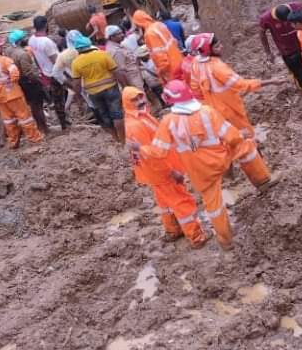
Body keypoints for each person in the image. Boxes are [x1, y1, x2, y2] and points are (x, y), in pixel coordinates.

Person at [135, 81, 277, 252]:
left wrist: (140, 148)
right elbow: (231, 136)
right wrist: (241, 135)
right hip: (220, 158)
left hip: (198, 170)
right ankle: (262, 181)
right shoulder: (207, 112)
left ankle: (226, 241)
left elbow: (158, 151)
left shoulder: (168, 122)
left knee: (213, 205)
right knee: (246, 145)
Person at [122, 86, 205, 247]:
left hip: (155, 173)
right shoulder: (136, 125)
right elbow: (150, 155)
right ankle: (196, 237)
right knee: (182, 202)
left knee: (166, 203)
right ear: (127, 103)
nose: (141, 101)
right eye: (135, 99)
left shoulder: (141, 117)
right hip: (162, 172)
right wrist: (172, 172)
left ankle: (173, 230)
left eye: (141, 97)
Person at [186, 33, 282, 135]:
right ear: (207, 50)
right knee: (247, 137)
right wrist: (271, 81)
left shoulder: (195, 63)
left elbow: (195, 89)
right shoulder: (218, 67)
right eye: (217, 46)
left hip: (214, 113)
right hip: (231, 112)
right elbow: (242, 84)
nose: (221, 47)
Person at [68, 31, 125, 142]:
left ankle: (115, 138)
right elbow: (116, 71)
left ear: (78, 49)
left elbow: (76, 83)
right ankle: (123, 139)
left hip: (94, 93)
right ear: (89, 44)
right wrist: (125, 86)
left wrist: (78, 97)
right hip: (111, 88)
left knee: (105, 116)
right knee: (117, 114)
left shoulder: (76, 63)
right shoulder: (102, 54)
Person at [259, 3, 302, 93]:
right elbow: (262, 34)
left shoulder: (297, 7)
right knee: (299, 72)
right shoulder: (265, 18)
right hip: (287, 49)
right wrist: (268, 53)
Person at [7, 29, 49, 134]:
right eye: (24, 38)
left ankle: (38, 127)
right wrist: (40, 81)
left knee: (31, 105)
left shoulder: (8, 51)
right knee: (37, 106)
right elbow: (28, 72)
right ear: (19, 41)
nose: (27, 39)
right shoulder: (22, 54)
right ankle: (43, 128)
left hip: (19, 82)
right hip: (29, 82)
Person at [29, 16, 66, 128]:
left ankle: (63, 120)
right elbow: (55, 61)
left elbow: (35, 57)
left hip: (45, 73)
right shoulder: (47, 42)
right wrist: (64, 75)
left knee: (56, 97)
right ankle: (64, 124)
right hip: (54, 73)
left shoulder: (32, 39)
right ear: (46, 25)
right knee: (60, 99)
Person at [132, 10, 183, 87]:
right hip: (179, 61)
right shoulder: (159, 25)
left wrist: (161, 73)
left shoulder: (149, 34)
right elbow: (174, 42)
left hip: (171, 70)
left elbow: (160, 57)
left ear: (139, 24)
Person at [107, 26, 143, 91]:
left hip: (135, 79)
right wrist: (128, 88)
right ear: (112, 37)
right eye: (119, 34)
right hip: (133, 83)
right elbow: (121, 71)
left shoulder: (118, 46)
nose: (122, 35)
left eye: (121, 33)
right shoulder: (115, 51)